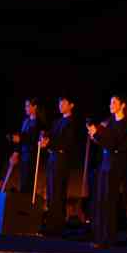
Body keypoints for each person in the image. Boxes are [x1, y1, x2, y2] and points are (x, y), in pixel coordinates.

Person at [88, 95, 127, 248]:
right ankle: (100, 236)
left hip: (116, 164)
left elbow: (113, 142)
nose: (111, 105)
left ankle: (108, 238)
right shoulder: (110, 122)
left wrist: (97, 134)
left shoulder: (125, 123)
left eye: (114, 102)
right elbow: (104, 142)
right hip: (105, 162)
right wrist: (94, 135)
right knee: (101, 200)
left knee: (109, 201)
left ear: (122, 105)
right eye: (110, 102)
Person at [39, 96, 79, 236]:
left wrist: (50, 143)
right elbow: (50, 136)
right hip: (52, 158)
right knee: (50, 191)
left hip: (62, 160)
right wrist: (44, 139)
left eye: (64, 103)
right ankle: (51, 223)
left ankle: (56, 226)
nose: (60, 105)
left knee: (58, 192)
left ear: (71, 105)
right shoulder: (57, 121)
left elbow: (66, 142)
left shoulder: (72, 122)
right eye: (59, 103)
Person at [8, 98, 46, 193]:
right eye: (25, 106)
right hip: (24, 155)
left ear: (35, 107)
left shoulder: (39, 123)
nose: (26, 108)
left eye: (28, 106)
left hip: (32, 156)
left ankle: (28, 201)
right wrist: (15, 153)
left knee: (29, 181)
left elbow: (32, 138)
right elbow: (20, 137)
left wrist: (21, 138)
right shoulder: (25, 121)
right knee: (23, 181)